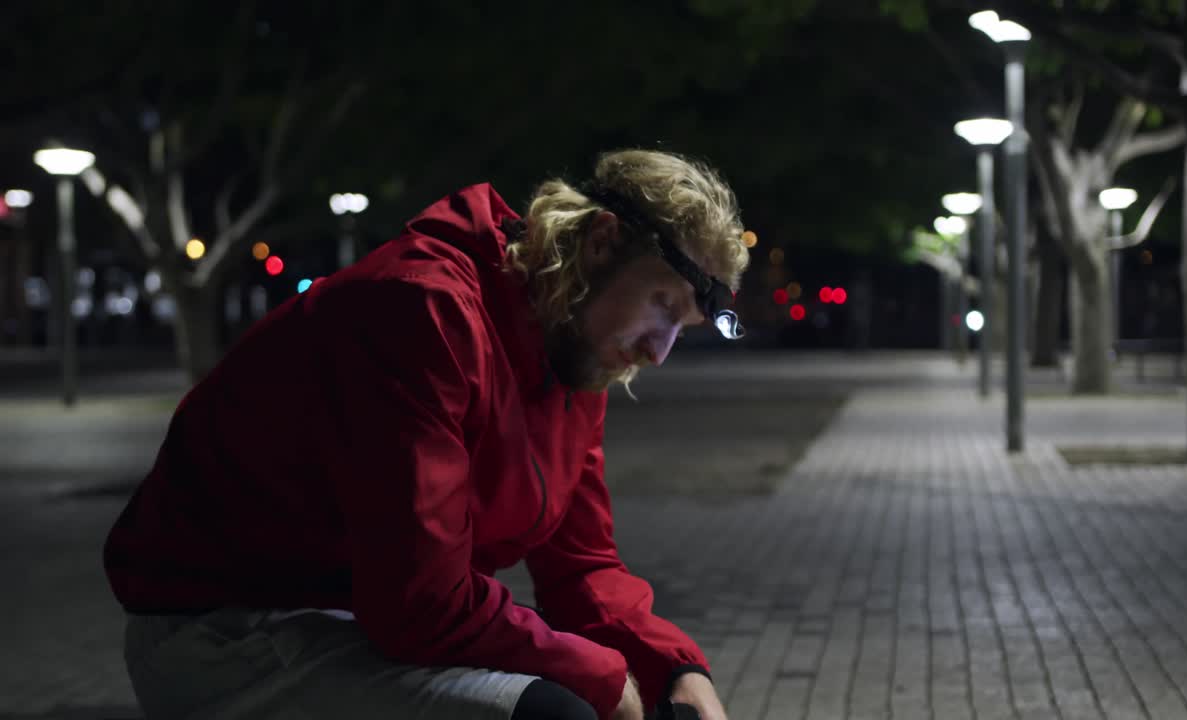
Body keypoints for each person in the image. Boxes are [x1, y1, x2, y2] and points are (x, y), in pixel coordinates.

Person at [104, 149, 751, 720]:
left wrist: (672, 667)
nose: (659, 352)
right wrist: (603, 674)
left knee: (619, 694)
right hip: (221, 632)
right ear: (602, 242)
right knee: (557, 712)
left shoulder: (571, 353)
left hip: (350, 623)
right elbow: (420, 603)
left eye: (682, 327)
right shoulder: (422, 312)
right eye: (663, 305)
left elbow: (581, 566)